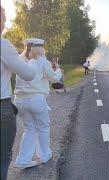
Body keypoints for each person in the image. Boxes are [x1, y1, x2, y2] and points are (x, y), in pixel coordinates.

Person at [13, 38, 62, 169]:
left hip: (19, 100)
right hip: (36, 100)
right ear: (40, 48)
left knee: (29, 129)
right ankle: (44, 155)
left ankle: (23, 160)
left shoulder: (19, 61)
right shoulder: (43, 62)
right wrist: (58, 69)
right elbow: (55, 79)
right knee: (43, 127)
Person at [1, 6, 35, 180]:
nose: (5, 25)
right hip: (2, 108)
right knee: (2, 157)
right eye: (3, 20)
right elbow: (28, 74)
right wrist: (31, 60)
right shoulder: (3, 45)